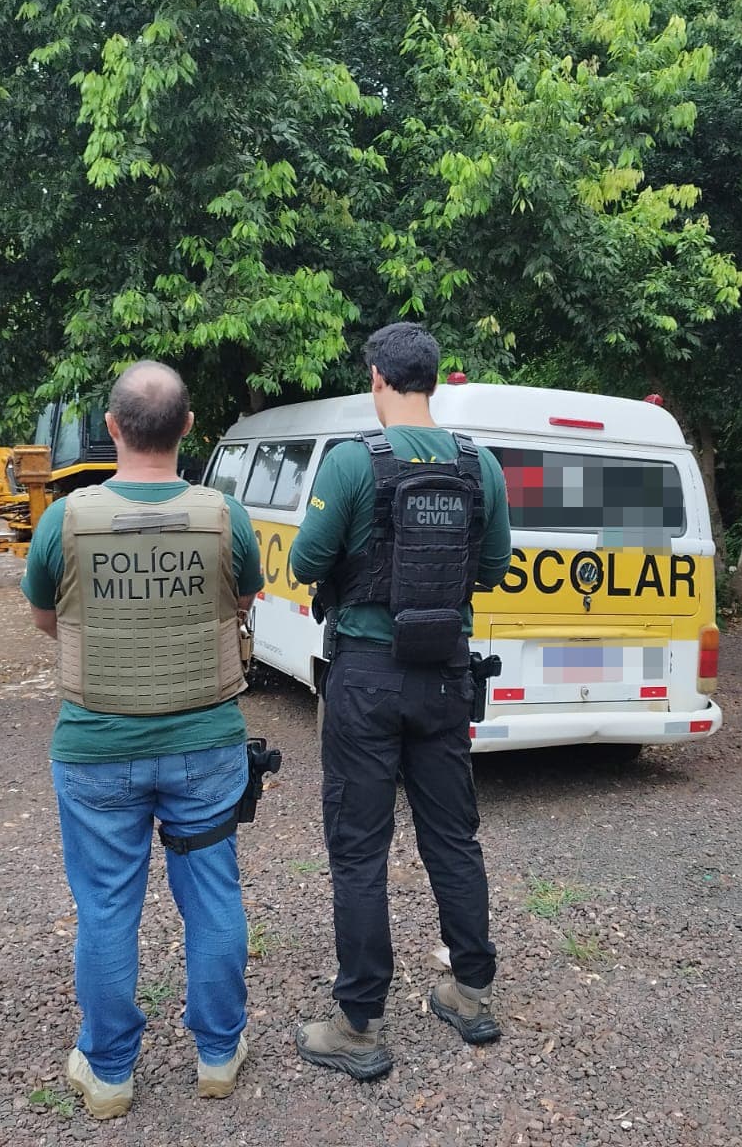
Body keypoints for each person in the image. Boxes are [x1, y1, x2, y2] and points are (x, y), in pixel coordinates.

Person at [22, 361, 263, 1118]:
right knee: (214, 898)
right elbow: (244, 599)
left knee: (105, 910)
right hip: (206, 744)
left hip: (97, 749)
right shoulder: (227, 515)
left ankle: (110, 1072)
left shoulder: (65, 517)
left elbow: (44, 617)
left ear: (114, 429)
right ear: (188, 427)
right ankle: (218, 1054)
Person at [289, 322, 513, 1080]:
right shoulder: (480, 465)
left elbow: (306, 559)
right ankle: (471, 994)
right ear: (436, 381)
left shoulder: (354, 462)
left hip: (366, 676)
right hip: (447, 674)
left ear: (378, 379)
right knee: (453, 837)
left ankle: (358, 1024)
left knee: (360, 848)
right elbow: (492, 566)